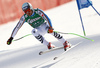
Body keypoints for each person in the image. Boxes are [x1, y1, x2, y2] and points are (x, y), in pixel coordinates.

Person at [7, 2, 71, 50]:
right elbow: (17, 27)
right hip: (38, 29)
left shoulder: (38, 11)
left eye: (28, 10)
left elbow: (47, 18)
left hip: (44, 25)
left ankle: (65, 42)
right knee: (33, 31)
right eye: (25, 11)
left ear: (31, 8)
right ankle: (48, 44)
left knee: (49, 31)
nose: (28, 13)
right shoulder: (24, 17)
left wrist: (50, 27)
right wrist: (11, 37)